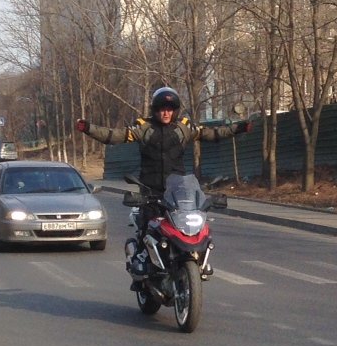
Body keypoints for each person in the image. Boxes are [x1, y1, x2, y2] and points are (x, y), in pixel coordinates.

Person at [76, 87, 251, 285]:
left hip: (177, 189)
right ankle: (141, 265)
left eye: (170, 109)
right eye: (161, 109)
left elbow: (213, 133)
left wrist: (238, 128)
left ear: (175, 110)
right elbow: (114, 135)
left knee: (188, 228)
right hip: (150, 190)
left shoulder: (184, 127)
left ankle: (196, 262)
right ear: (155, 110)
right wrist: (88, 128)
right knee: (148, 228)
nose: (165, 113)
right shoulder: (144, 127)